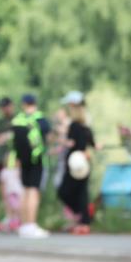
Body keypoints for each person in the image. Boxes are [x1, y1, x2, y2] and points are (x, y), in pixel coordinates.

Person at [11, 93, 51, 238]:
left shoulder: (18, 120)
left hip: (22, 160)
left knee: (25, 191)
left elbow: (14, 143)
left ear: (23, 104)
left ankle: (24, 225)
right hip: (37, 160)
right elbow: (47, 136)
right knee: (34, 191)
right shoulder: (40, 119)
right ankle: (31, 225)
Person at [57, 91, 96, 234]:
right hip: (83, 163)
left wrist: (64, 141)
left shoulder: (75, 125)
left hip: (75, 164)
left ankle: (83, 219)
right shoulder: (86, 124)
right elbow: (91, 142)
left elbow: (75, 143)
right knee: (81, 192)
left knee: (66, 192)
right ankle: (83, 219)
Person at [0, 97, 22, 232]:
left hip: (15, 160)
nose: (4, 109)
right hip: (1, 160)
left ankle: (18, 217)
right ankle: (9, 216)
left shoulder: (18, 120)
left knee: (16, 190)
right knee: (5, 191)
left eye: (6, 106)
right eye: (2, 107)